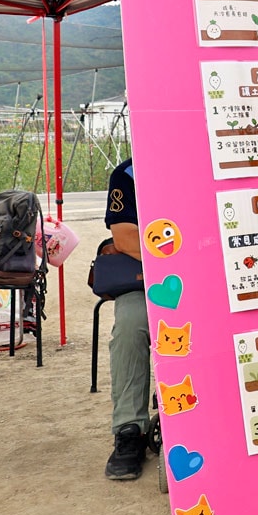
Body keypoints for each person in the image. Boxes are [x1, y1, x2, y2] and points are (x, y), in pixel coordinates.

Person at [102, 157, 152, 480]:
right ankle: (130, 428)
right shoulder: (126, 174)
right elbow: (124, 238)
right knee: (132, 324)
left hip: (207, 273)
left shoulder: (202, 158)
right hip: (148, 278)